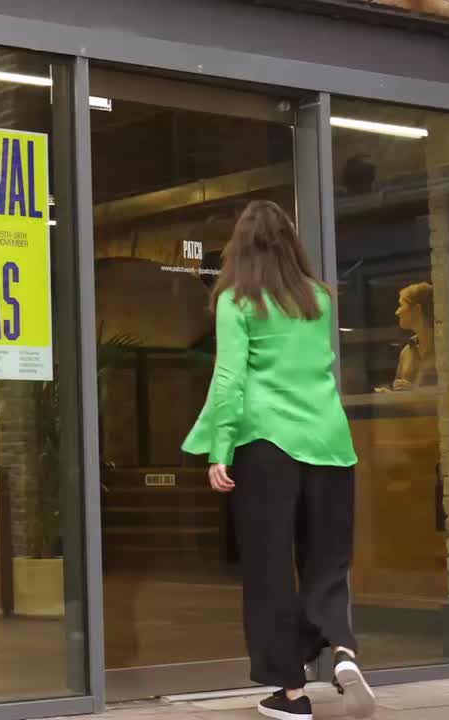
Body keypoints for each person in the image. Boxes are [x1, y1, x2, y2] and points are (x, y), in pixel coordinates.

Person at [182, 200, 374, 720]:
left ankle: (291, 695)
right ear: (291, 242)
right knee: (327, 561)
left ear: (239, 246)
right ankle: (343, 650)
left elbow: (229, 378)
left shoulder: (236, 300)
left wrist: (220, 448)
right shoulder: (318, 297)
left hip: (266, 443)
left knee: (269, 567)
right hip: (330, 440)